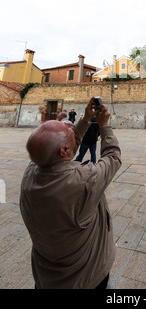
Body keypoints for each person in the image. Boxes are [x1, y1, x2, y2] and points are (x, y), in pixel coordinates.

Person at [19, 98, 121, 289]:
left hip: (46, 278)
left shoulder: (31, 173)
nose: (71, 129)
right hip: (86, 279)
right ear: (64, 149)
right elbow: (113, 157)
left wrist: (86, 119)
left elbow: (65, 149)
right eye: (68, 130)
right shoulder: (83, 180)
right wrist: (104, 125)